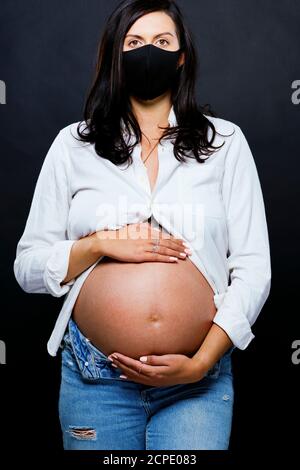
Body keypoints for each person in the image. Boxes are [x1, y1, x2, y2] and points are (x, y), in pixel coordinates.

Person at [13, 0, 271, 450]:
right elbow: (28, 268)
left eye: (161, 42)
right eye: (133, 42)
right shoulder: (73, 146)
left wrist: (202, 361)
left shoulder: (225, 143)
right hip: (96, 379)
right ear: (115, 54)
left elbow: (253, 267)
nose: (147, 52)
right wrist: (100, 244)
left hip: (197, 381)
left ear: (181, 56)